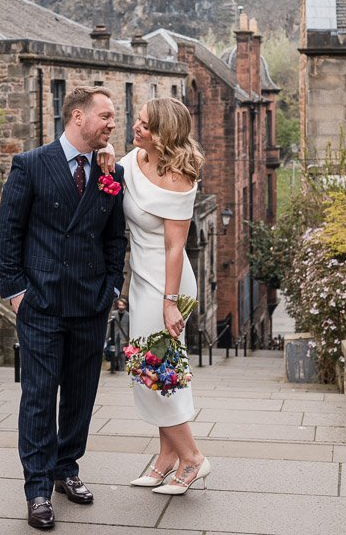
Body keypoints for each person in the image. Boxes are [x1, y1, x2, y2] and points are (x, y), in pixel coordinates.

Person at [0, 86, 128, 530]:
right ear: (77, 116)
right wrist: (17, 292)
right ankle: (36, 490)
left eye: (114, 117)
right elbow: (8, 232)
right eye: (106, 116)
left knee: (80, 394)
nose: (113, 124)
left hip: (90, 303)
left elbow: (114, 239)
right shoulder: (31, 165)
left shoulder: (111, 172)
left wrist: (110, 289)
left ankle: (65, 468)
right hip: (43, 304)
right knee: (37, 397)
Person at [119, 97, 211, 495]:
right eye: (137, 121)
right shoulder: (134, 159)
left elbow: (176, 247)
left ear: (163, 134)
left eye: (144, 125)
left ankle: (193, 459)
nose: (135, 128)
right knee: (156, 374)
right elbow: (110, 169)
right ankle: (165, 458)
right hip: (142, 280)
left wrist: (170, 301)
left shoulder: (180, 178)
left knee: (154, 373)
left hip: (168, 286)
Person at [106, 297, 130, 372]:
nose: (121, 307)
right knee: (114, 351)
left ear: (125, 306)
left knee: (122, 352)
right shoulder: (114, 313)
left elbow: (129, 326)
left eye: (123, 305)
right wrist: (107, 336)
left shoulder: (128, 315)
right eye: (120, 305)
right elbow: (110, 325)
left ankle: (121, 368)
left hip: (124, 335)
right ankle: (114, 367)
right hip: (114, 335)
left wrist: (129, 337)